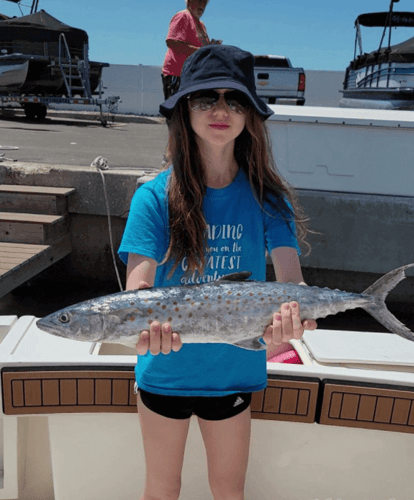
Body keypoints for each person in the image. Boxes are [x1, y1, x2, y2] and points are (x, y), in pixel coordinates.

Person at [118, 44, 317, 500]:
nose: (221, 110)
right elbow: (138, 290)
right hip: (165, 372)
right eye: (206, 98)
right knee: (161, 489)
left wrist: (291, 323)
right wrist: (147, 331)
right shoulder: (153, 197)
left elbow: (293, 284)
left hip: (234, 370)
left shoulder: (268, 198)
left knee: (229, 492)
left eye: (235, 99)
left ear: (250, 113)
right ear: (185, 110)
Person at [162, 0, 221, 100]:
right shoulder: (183, 16)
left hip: (196, 78)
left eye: (205, 2)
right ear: (189, 2)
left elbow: (203, 50)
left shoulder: (201, 25)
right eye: (200, 1)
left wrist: (211, 47)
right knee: (179, 114)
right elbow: (172, 43)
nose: (203, 5)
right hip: (178, 76)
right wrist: (203, 51)